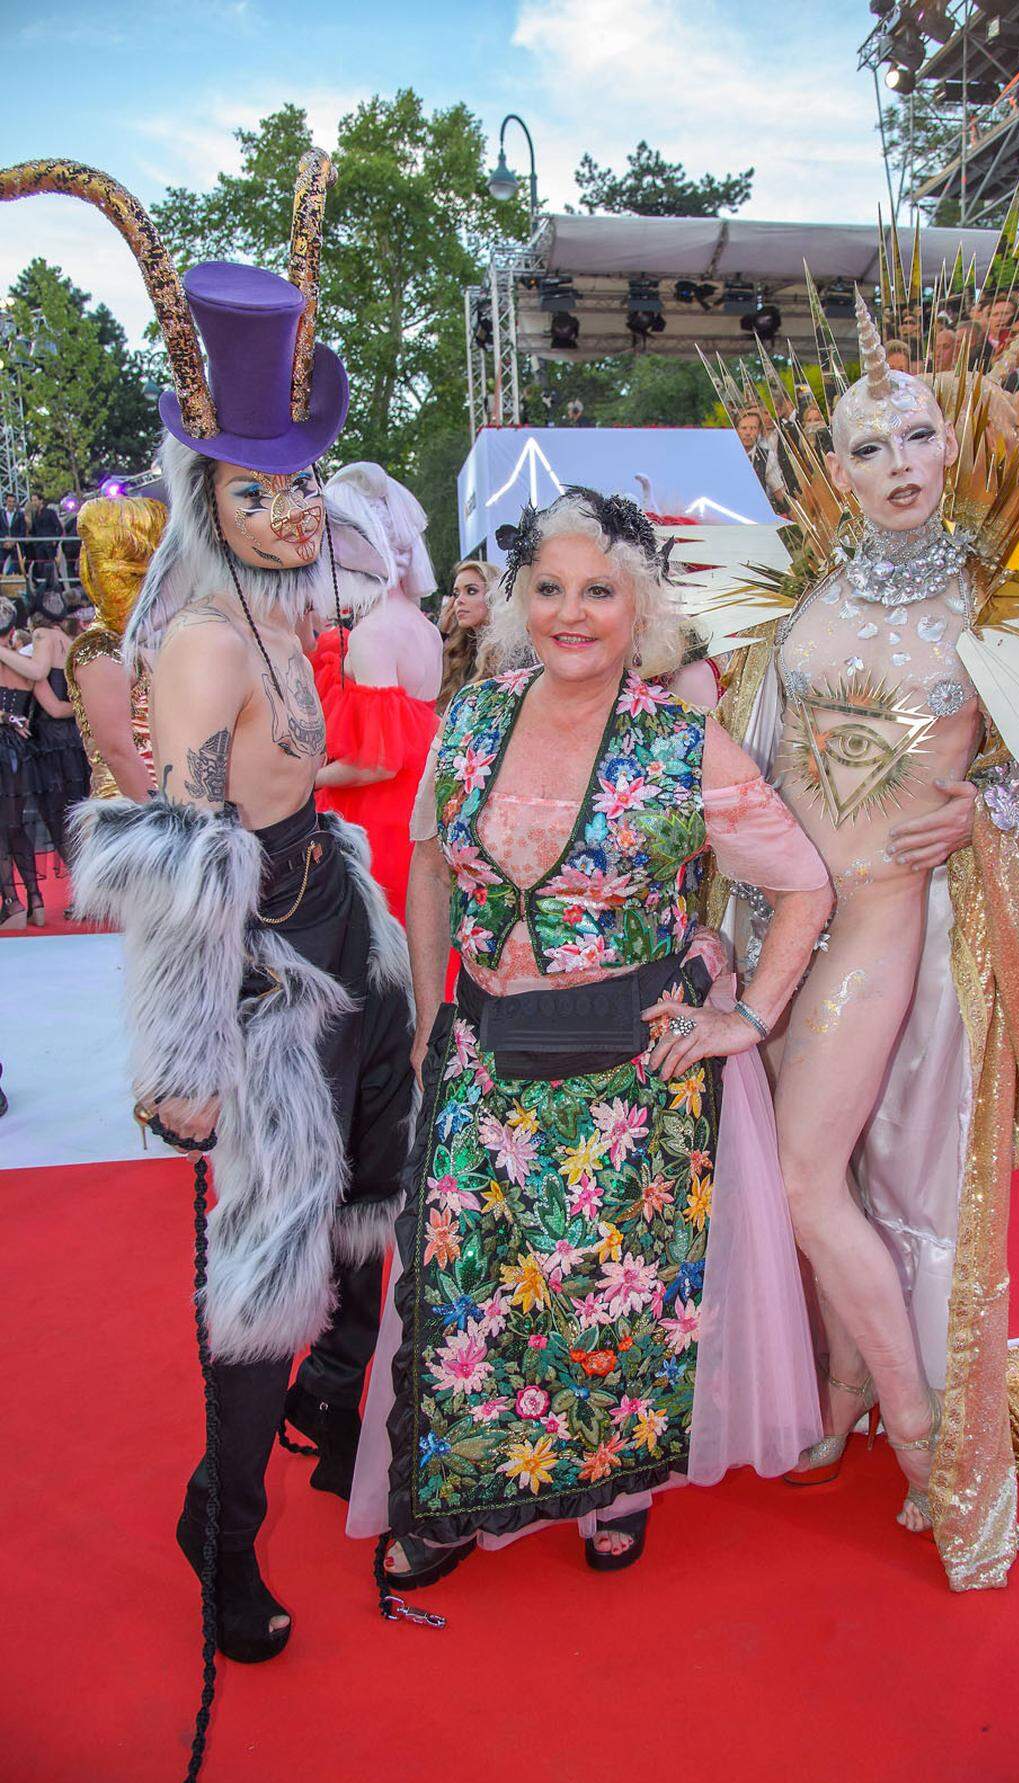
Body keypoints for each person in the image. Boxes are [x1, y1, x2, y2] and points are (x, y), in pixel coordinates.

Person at [691, 228, 1019, 1588]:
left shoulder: (1005, 606)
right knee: (827, 1178)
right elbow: (748, 747)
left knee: (810, 1177)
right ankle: (846, 1385)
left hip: (884, 933)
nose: (902, 464)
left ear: (947, 442)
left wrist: (988, 810)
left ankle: (927, 1438)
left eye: (919, 435)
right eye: (872, 447)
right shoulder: (804, 593)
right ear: (837, 474)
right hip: (779, 937)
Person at [4, 151, 414, 1665]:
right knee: (262, 1265)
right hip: (257, 973)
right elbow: (180, 865)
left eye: (301, 482)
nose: (296, 511)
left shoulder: (274, 608)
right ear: (205, 491)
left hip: (333, 930)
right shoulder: (200, 643)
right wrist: (181, 1065)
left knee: (372, 1206)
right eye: (261, 489)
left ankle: (333, 1391)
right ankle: (221, 1529)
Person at [348, 487, 832, 1590]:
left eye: (599, 591)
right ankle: (462, 1495)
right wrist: (433, 1011)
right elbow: (429, 861)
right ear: (519, 598)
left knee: (613, 1300)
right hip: (482, 1051)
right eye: (550, 588)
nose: (573, 612)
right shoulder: (473, 713)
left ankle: (612, 1485)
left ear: (642, 606)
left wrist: (742, 1019)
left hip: (629, 1083)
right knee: (466, 1287)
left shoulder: (682, 743)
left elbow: (803, 883)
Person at [312, 462, 443, 920]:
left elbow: (377, 763)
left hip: (379, 823)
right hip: (418, 812)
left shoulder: (372, 635)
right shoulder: (424, 628)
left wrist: (304, 781)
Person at [65, 494, 165, 801]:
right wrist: (162, 824)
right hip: (131, 814)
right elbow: (118, 752)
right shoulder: (99, 647)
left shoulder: (150, 637)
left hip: (171, 802)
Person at [25, 596, 90, 866]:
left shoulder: (41, 637)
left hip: (50, 742)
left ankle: (80, 881)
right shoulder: (70, 641)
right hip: (75, 739)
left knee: (58, 815)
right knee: (80, 810)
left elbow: (52, 707)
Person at [0, 601, 44, 928]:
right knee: (16, 826)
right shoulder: (27, 663)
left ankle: (11, 902)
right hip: (19, 750)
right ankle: (36, 899)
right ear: (13, 630)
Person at [437, 556, 500, 711]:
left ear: (493, 596)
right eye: (456, 593)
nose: (459, 601)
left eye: (471, 591)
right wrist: (441, 633)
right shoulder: (461, 649)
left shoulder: (512, 655)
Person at [23, 490, 61, 586]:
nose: (34, 503)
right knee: (41, 568)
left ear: (41, 501)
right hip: (39, 546)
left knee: (52, 568)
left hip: (49, 545)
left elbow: (59, 527)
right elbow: (34, 530)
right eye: (32, 501)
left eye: (35, 500)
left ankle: (56, 587)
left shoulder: (50, 512)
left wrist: (55, 540)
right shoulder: (34, 515)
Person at [1, 492, 25, 577]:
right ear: (6, 502)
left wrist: (14, 540)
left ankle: (10, 580)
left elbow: (22, 530)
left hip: (16, 544)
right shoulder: (1, 513)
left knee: (16, 564)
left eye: (13, 502)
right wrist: (4, 539)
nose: (11, 504)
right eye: (9, 501)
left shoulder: (20, 515)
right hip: (3, 543)